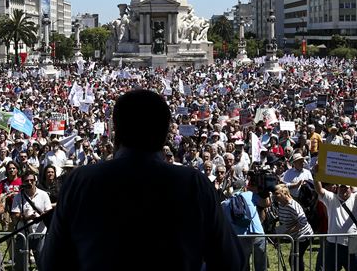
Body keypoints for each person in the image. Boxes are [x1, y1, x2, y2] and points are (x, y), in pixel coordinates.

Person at [41, 89, 244, 270]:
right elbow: (232, 261)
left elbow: (51, 262)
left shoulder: (81, 182)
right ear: (165, 134)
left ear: (116, 133)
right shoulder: (193, 183)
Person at [315, 180, 357, 271]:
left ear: (350, 188)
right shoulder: (331, 198)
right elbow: (319, 189)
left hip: (354, 244)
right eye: (341, 187)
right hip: (333, 244)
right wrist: (316, 176)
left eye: (346, 188)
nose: (344, 190)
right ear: (338, 188)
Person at [11, 171, 51, 271]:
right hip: (23, 233)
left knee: (42, 262)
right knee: (20, 263)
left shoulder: (43, 194)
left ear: (35, 181)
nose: (29, 182)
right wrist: (28, 217)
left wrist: (41, 216)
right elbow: (15, 215)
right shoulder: (18, 196)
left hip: (40, 234)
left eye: (32, 180)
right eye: (27, 181)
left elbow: (49, 212)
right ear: (23, 182)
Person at [272, 184, 312, 271]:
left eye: (277, 193)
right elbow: (284, 222)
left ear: (285, 193)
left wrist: (287, 233)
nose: (274, 196)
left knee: (294, 259)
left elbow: (303, 222)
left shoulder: (293, 206)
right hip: (294, 236)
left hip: (304, 236)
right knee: (295, 258)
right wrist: (278, 235)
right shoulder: (280, 204)